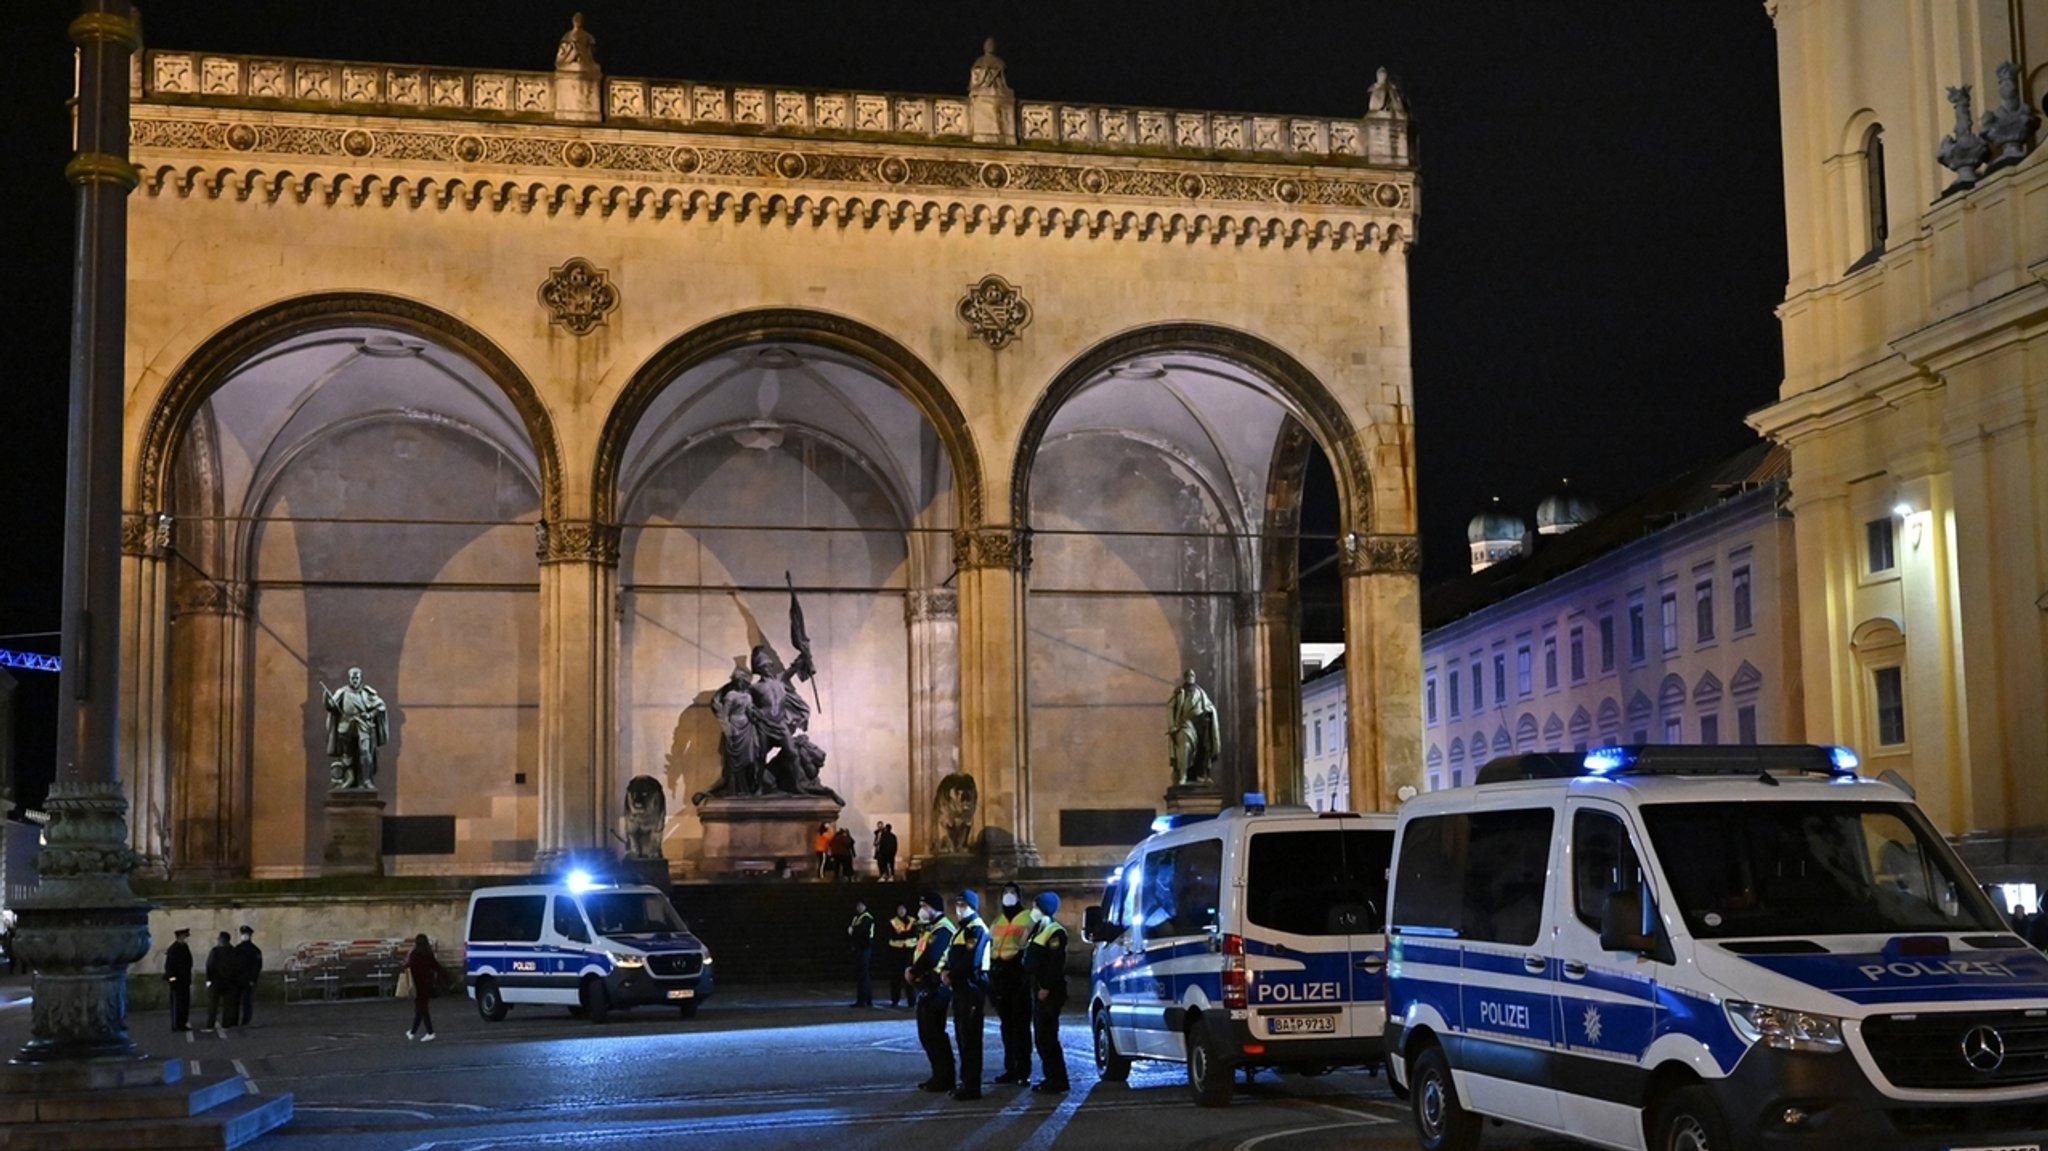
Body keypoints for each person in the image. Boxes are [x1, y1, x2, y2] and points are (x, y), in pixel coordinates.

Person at [944, 889, 991, 1101]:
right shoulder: (962, 929)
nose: (959, 908)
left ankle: (972, 1086)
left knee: (970, 1039)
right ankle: (966, 1082)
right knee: (963, 1037)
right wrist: (946, 970)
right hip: (961, 987)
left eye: (963, 904)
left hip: (971, 988)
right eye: (958, 903)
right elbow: (952, 956)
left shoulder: (975, 929)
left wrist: (951, 974)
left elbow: (971, 961)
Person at [1023, 892, 1071, 1093]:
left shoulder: (1055, 932)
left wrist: (1046, 987)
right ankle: (1050, 1077)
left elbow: (1055, 964)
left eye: (1036, 906)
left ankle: (1058, 1080)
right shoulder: (1039, 929)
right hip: (1037, 987)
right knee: (1041, 1037)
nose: (1032, 910)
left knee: (1048, 1036)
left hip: (1049, 990)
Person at [986, 881, 1034, 1086]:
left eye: (1012, 892)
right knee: (1006, 1027)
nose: (1008, 895)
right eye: (1005, 892)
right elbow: (991, 946)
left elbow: (1028, 948)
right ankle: (1010, 1068)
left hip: (1018, 976)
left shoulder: (1028, 919)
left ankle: (1023, 1070)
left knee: (1020, 1027)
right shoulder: (998, 920)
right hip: (1000, 977)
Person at [908, 891, 956, 1093]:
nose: (922, 910)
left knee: (933, 1034)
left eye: (925, 906)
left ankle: (944, 1077)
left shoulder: (943, 929)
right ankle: (939, 1075)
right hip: (927, 985)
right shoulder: (931, 928)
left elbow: (932, 957)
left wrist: (913, 971)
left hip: (936, 987)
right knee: (928, 1034)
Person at [322, 666, 389, 790]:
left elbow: (381, 706)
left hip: (362, 725)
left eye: (357, 678)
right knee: (347, 753)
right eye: (352, 678)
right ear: (349, 679)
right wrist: (326, 698)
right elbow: (331, 705)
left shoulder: (367, 692)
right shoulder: (342, 691)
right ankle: (350, 778)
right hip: (345, 725)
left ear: (360, 678)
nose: (355, 680)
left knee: (365, 752)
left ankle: (366, 780)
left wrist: (370, 714)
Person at [1167, 668, 1220, 785]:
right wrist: (1172, 726)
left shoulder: (1201, 692)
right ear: (1185, 677)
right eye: (1188, 675)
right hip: (1185, 724)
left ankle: (1201, 775)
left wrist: (1210, 712)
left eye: (1192, 674)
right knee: (1185, 747)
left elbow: (1209, 706)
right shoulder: (1179, 692)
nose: (1190, 676)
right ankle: (1183, 774)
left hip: (1201, 724)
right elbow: (1170, 708)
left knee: (1205, 747)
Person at [402, 933, 447, 1042]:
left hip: (417, 984)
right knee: (422, 1008)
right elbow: (437, 966)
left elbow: (409, 966)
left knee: (421, 1008)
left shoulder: (415, 954)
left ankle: (420, 1032)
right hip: (428, 984)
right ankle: (419, 1032)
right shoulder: (428, 954)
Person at [203, 930, 237, 1037]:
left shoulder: (215, 951)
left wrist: (209, 979)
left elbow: (209, 965)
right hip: (229, 982)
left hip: (216, 981)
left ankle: (210, 1024)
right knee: (227, 1005)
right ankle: (226, 1024)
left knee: (213, 1005)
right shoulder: (233, 951)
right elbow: (237, 967)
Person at [885, 902, 917, 1006]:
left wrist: (902, 937)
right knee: (896, 978)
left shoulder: (913, 921)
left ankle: (911, 1000)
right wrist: (904, 938)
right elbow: (891, 938)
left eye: (903, 909)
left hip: (909, 953)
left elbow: (914, 936)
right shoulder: (892, 922)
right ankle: (895, 999)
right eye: (899, 909)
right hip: (896, 954)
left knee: (910, 977)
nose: (901, 911)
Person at [164, 927, 194, 1032]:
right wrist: (172, 979)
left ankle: (183, 1023)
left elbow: (189, 963)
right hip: (177, 982)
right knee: (177, 1003)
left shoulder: (184, 947)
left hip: (185, 980)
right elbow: (169, 966)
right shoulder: (174, 949)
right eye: (185, 936)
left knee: (184, 1003)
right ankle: (177, 1025)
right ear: (180, 937)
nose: (186, 938)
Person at [847, 900, 876, 1008]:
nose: (859, 907)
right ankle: (867, 999)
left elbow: (859, 931)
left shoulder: (867, 918)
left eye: (861, 905)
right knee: (863, 975)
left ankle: (862, 1000)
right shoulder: (857, 918)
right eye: (858, 905)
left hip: (865, 948)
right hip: (859, 948)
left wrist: (852, 930)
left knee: (863, 975)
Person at [234, 925, 264, 1026]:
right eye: (243, 934)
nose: (244, 936)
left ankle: (245, 1020)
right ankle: (235, 1019)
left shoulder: (255, 950)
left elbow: (257, 966)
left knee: (247, 1001)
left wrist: (253, 979)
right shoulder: (237, 949)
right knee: (236, 1001)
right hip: (238, 979)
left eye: (246, 934)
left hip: (247, 979)